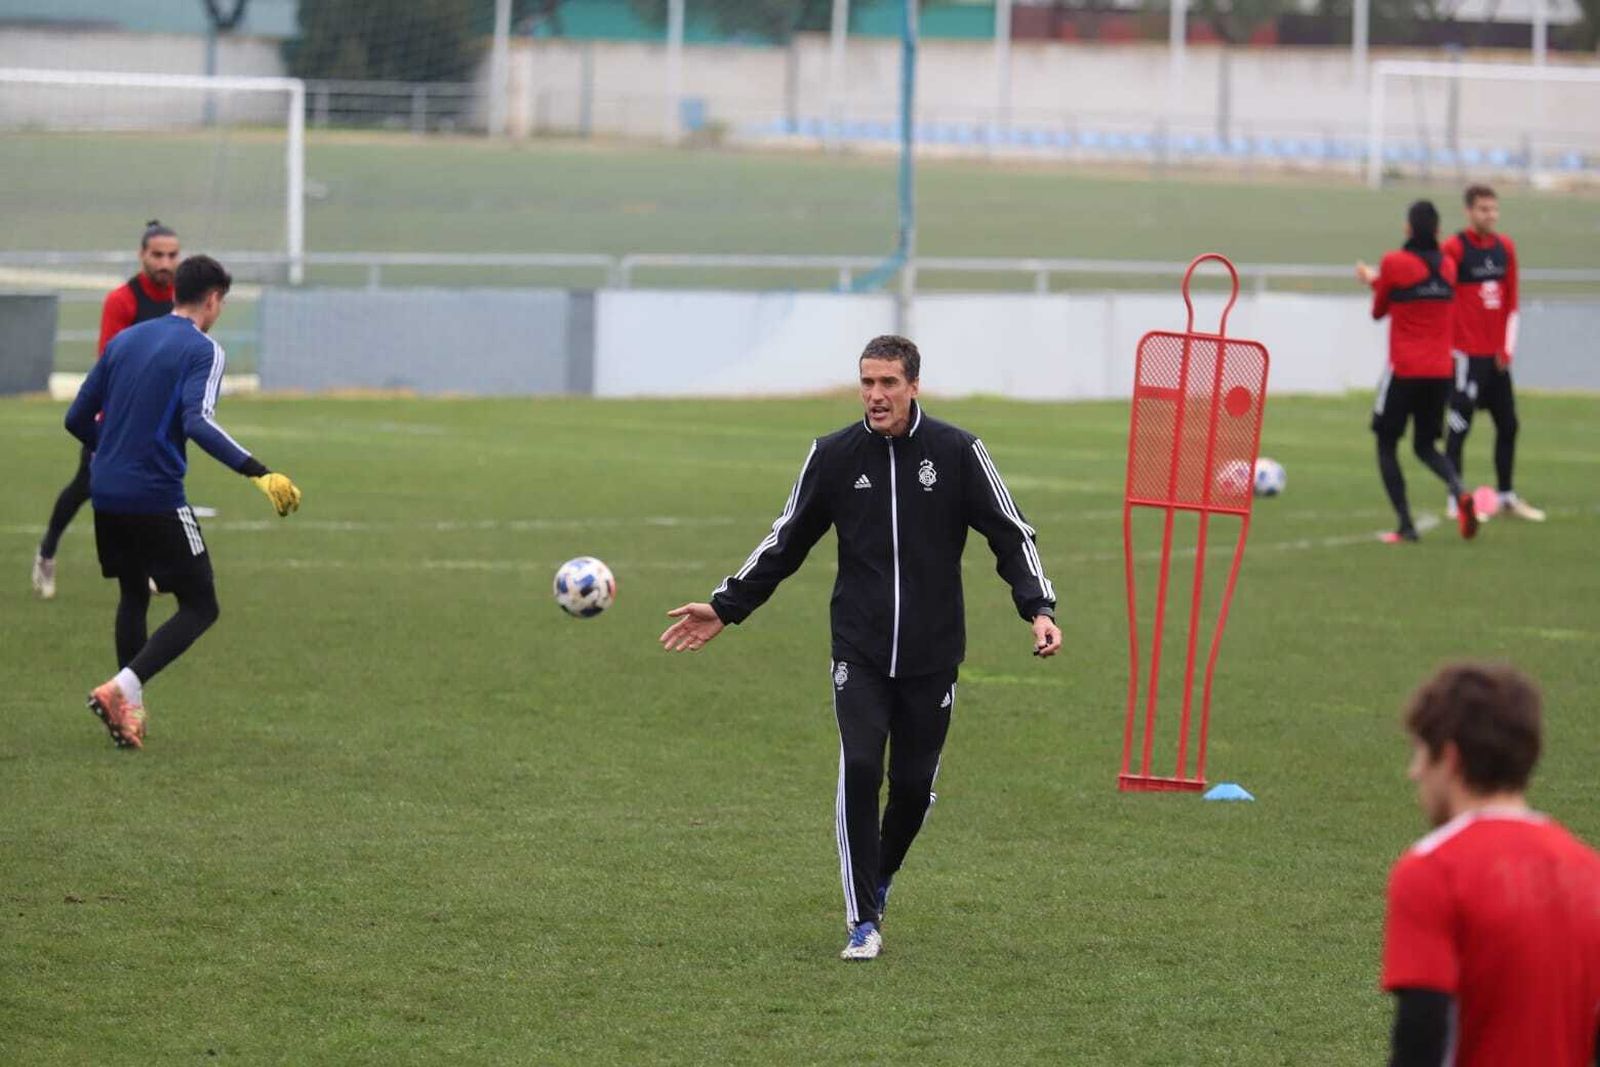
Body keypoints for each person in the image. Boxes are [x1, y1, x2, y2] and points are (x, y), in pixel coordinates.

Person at [659, 335, 1062, 962]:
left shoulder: (957, 453)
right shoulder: (835, 456)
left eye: (888, 384)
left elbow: (1011, 535)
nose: (876, 396)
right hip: (860, 650)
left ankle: (879, 877)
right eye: (867, 383)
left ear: (914, 386)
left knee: (911, 788)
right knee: (862, 766)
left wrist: (1038, 608)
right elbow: (786, 541)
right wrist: (726, 606)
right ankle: (863, 919)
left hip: (933, 653)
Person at [65, 255, 302, 751]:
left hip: (106, 492)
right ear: (214, 298)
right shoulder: (204, 350)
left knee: (133, 594)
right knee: (200, 604)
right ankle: (120, 689)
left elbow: (76, 418)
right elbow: (198, 421)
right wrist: (259, 472)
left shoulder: (127, 340)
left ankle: (127, 714)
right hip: (155, 495)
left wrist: (110, 451)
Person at [1381, 662, 1600, 1066]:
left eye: (1420, 754)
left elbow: (1422, 1033)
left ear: (1449, 759)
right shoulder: (1589, 871)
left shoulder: (1433, 871)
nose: (1414, 772)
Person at [33, 220, 180, 599]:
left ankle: (149, 566)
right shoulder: (123, 301)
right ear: (142, 255)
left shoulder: (182, 298)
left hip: (159, 419)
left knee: (155, 487)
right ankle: (47, 553)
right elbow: (110, 364)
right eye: (158, 255)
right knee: (86, 486)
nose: (165, 262)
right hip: (116, 416)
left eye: (172, 255)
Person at [1356, 200, 1477, 544]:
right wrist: (1380, 282)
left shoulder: (1394, 262)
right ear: (1438, 232)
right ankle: (1458, 487)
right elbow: (1418, 287)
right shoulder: (1449, 267)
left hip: (1405, 369)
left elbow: (1380, 310)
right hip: (1440, 372)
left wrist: (1372, 280)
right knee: (1425, 445)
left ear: (1408, 229)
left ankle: (1406, 525)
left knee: (1386, 443)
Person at [1441, 184, 1545, 522]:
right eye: (1484, 209)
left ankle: (1505, 496)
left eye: (1494, 209)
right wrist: (1452, 350)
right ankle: (1456, 499)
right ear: (1469, 212)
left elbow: (1512, 302)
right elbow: (1441, 299)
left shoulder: (1505, 249)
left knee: (1509, 424)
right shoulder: (1454, 249)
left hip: (1496, 358)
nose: (1491, 215)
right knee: (1459, 428)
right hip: (1466, 358)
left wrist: (1507, 348)